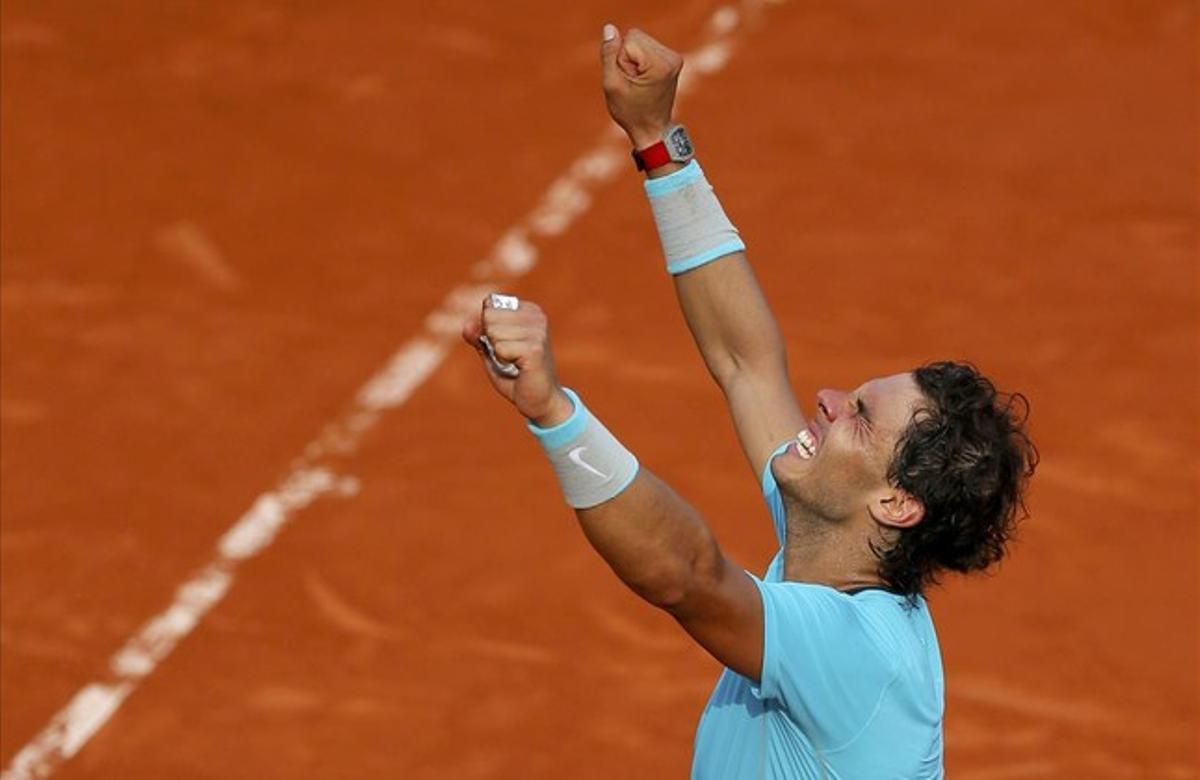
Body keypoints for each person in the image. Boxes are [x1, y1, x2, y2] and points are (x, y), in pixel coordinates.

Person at [461, 23, 1037, 779]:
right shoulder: (833, 540)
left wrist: (555, 415)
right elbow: (746, 363)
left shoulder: (856, 655)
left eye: (859, 418)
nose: (826, 401)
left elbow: (688, 576)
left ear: (897, 503)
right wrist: (657, 140)